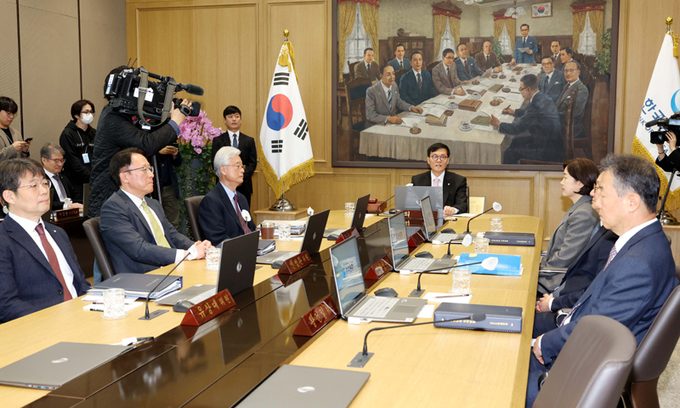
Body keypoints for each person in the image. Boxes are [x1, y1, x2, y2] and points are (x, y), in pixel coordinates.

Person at [526, 154, 678, 407]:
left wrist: (544, 342)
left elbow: (594, 335)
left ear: (631, 201)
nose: (594, 201)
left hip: (579, 373)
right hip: (582, 347)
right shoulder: (643, 242)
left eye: (601, 193)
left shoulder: (637, 263)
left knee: (494, 371)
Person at [88, 66, 190, 218]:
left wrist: (164, 114)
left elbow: (148, 135)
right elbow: (147, 144)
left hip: (124, 196)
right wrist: (174, 123)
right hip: (110, 200)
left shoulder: (123, 113)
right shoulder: (113, 117)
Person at [0, 158, 90, 323]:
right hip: (39, 327)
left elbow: (80, 283)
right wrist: (55, 321)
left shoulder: (57, 233)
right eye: (33, 186)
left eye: (45, 184)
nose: (44, 191)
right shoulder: (3, 240)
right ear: (9, 196)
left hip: (81, 317)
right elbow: (6, 305)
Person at [100, 148, 211, 275]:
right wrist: (189, 254)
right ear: (125, 177)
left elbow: (172, 235)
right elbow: (138, 249)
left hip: (171, 270)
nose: (151, 175)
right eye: (144, 169)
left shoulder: (153, 204)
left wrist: (198, 247)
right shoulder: (113, 208)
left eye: (150, 169)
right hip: (143, 278)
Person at [533, 226, 617, 338]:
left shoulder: (614, 241)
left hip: (570, 313)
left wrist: (551, 304)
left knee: (520, 321)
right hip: (564, 297)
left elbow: (594, 294)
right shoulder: (606, 229)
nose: (596, 208)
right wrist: (551, 301)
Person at [489, 74, 562, 164]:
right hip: (550, 141)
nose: (521, 92)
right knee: (515, 141)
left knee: (509, 153)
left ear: (528, 89)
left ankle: (512, 173)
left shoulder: (535, 105)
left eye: (521, 89)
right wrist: (514, 112)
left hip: (545, 150)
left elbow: (517, 128)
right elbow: (532, 113)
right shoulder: (542, 97)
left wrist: (499, 124)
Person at [541, 159, 600, 270]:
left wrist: (539, 270)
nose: (561, 182)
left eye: (565, 178)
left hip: (557, 275)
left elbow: (564, 259)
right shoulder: (579, 206)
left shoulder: (584, 214)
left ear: (580, 183)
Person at [198, 146, 257, 246]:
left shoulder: (241, 198)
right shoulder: (211, 202)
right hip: (232, 252)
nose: (242, 170)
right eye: (238, 166)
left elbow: (251, 229)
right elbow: (218, 240)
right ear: (223, 170)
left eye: (242, 166)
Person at [210, 106, 257, 206]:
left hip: (244, 184)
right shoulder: (218, 141)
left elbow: (252, 163)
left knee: (244, 212)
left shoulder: (249, 140)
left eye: (237, 116)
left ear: (240, 119)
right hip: (225, 184)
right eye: (230, 117)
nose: (234, 119)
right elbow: (215, 163)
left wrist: (240, 175)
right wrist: (229, 176)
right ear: (224, 120)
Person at [411, 143, 468, 215]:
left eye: (442, 157)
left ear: (448, 160)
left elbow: (462, 205)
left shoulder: (458, 180)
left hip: (448, 219)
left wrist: (453, 210)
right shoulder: (417, 180)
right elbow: (413, 204)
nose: (438, 160)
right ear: (428, 160)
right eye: (434, 157)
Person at [59, 99, 96, 202]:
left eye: (91, 112)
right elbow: (72, 160)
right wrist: (89, 176)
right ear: (76, 115)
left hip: (93, 179)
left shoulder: (94, 133)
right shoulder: (68, 134)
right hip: (76, 181)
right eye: (86, 112)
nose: (89, 114)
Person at [40, 143, 83, 211]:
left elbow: (76, 198)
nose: (60, 164)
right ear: (44, 160)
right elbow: (45, 202)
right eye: (56, 161)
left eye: (62, 160)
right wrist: (66, 206)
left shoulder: (64, 178)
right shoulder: (39, 179)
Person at [556, 61, 589, 140]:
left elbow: (575, 113)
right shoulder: (568, 85)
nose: (568, 73)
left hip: (571, 128)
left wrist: (553, 116)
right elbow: (558, 104)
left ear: (578, 72)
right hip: (561, 122)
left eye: (571, 70)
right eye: (566, 71)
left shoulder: (581, 89)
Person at [156, 145, 182, 229]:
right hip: (152, 187)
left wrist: (175, 154)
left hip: (169, 186)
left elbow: (178, 162)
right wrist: (157, 153)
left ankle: (173, 237)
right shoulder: (147, 141)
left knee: (173, 219)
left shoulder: (168, 141)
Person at [0, 96, 30, 161]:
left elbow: (21, 160)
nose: (11, 117)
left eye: (13, 113)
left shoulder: (16, 133)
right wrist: (12, 148)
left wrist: (24, 151)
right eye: (8, 113)